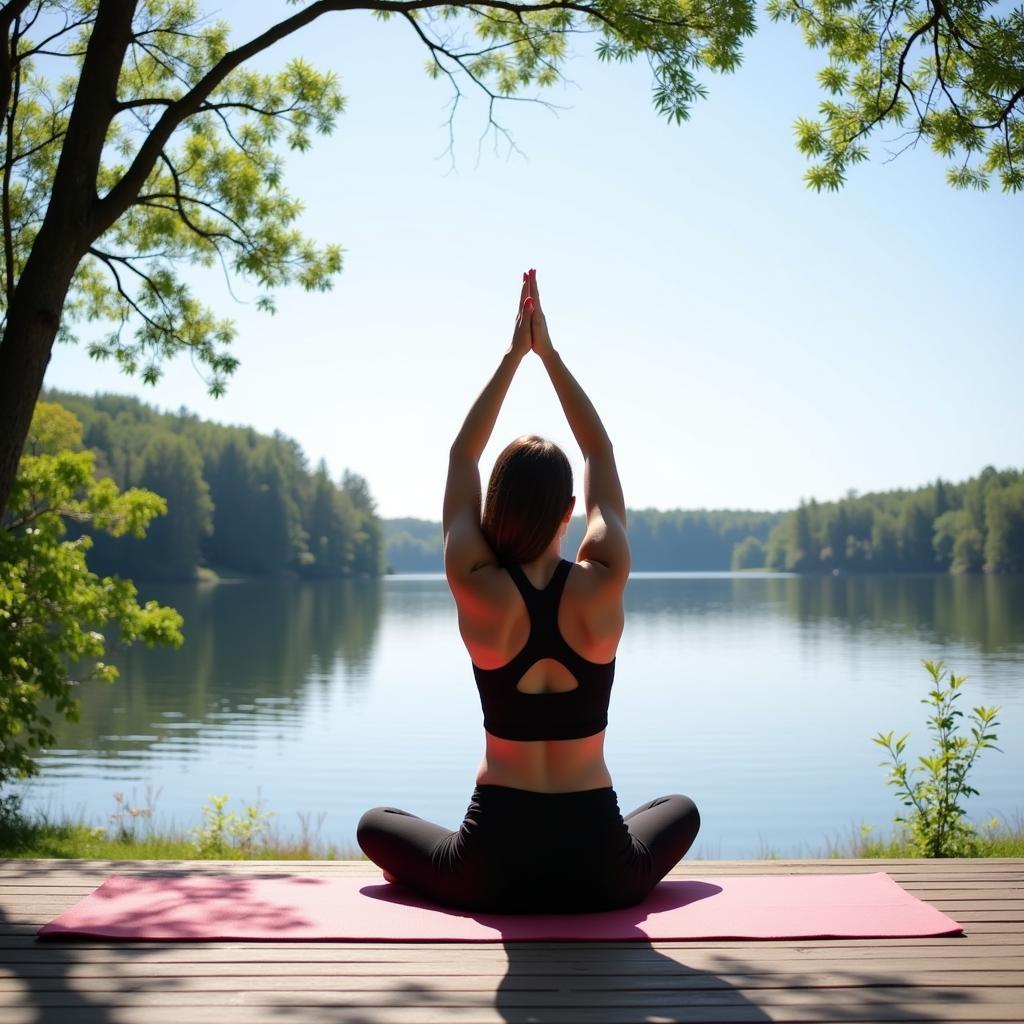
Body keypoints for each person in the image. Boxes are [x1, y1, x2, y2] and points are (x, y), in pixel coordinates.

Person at [357, 268, 700, 913]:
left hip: (491, 871)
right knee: (680, 811)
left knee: (375, 822)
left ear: (494, 507)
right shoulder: (602, 579)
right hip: (601, 870)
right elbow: (598, 450)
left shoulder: (477, 586)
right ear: (569, 510)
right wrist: (551, 356)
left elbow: (463, 455)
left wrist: (512, 358)